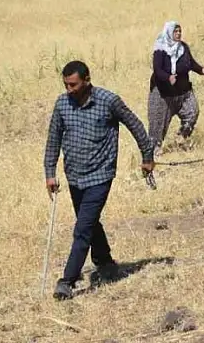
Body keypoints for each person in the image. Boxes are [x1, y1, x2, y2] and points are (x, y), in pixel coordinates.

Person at [44, 60, 154, 301]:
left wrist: (147, 156)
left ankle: (67, 281)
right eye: (65, 85)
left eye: (73, 84)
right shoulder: (62, 104)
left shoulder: (108, 101)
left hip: (100, 175)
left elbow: (134, 125)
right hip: (74, 175)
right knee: (89, 222)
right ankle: (104, 261)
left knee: (82, 228)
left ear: (86, 80)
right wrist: (50, 173)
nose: (69, 90)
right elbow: (53, 139)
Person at [149, 21, 204, 153]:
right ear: (168, 33)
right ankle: (153, 154)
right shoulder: (160, 50)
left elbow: (191, 63)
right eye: (175, 31)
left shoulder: (183, 48)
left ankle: (180, 139)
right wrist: (168, 77)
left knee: (192, 112)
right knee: (157, 127)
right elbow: (157, 69)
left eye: (180, 31)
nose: (178, 34)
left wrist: (203, 70)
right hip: (163, 95)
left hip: (183, 92)